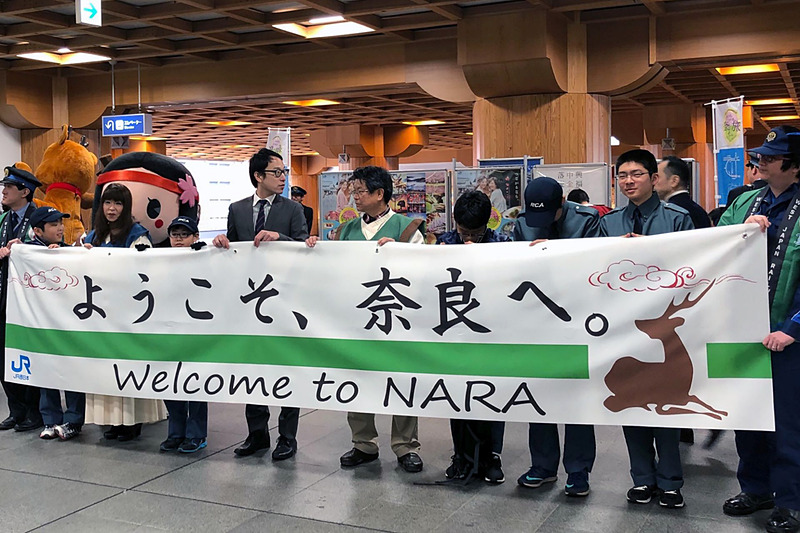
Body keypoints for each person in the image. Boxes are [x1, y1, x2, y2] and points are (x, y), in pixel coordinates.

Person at [305, 166, 425, 473]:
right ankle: (363, 443)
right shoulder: (346, 230)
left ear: (379, 194)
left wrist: (401, 254)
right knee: (356, 377)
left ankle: (405, 445)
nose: (354, 197)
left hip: (396, 318)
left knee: (401, 380)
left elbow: (426, 271)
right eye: (353, 191)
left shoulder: (407, 229)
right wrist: (315, 249)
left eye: (359, 191)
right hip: (357, 320)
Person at [600, 149, 694, 509]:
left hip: (666, 329)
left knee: (666, 403)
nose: (628, 181)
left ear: (654, 179)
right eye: (622, 175)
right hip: (623, 328)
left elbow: (694, 267)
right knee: (632, 403)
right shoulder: (608, 224)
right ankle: (641, 479)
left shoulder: (678, 219)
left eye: (636, 174)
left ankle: (671, 481)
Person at [718, 125, 800, 533]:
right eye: (760, 155)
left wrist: (795, 328)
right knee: (748, 417)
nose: (761, 160)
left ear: (795, 164)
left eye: (771, 155)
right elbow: (709, 250)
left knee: (787, 424)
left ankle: (791, 501)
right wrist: (739, 234)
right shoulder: (747, 201)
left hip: (787, 334)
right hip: (742, 331)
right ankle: (756, 487)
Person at [213, 148, 308, 461]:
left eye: (284, 172)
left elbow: (304, 248)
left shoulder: (294, 209)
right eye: (276, 172)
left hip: (283, 299)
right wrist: (220, 245)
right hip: (249, 301)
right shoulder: (237, 209)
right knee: (252, 367)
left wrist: (279, 237)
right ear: (258, 176)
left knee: (286, 366)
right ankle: (256, 434)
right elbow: (232, 248)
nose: (282, 178)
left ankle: (288, 437)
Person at [513, 177, 600, 497]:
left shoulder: (588, 221)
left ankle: (578, 471)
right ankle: (543, 465)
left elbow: (596, 265)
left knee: (577, 397)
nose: (542, 222)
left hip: (577, 319)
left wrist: (555, 253)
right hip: (538, 322)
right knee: (539, 395)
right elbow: (510, 268)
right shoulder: (523, 224)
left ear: (561, 202)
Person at [83, 183, 167, 441]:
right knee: (106, 365)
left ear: (126, 207)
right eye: (108, 202)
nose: (112, 208)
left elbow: (144, 273)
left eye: (118, 203)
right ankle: (113, 420)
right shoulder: (93, 236)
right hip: (100, 313)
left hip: (129, 313)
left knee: (128, 364)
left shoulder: (138, 235)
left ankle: (132, 421)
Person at [437, 190, 509, 484]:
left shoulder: (505, 244)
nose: (467, 240)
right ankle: (461, 455)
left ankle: (492, 455)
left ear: (487, 226)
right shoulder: (443, 243)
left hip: (492, 331)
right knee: (457, 395)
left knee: (492, 393)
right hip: (455, 331)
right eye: (463, 232)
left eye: (475, 235)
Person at [20, 207, 86, 441]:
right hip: (42, 323)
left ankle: (73, 421)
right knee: (45, 370)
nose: (60, 227)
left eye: (60, 222)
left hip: (69, 324)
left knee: (72, 371)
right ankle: (50, 419)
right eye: (53, 224)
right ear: (37, 230)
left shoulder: (69, 251)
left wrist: (85, 253)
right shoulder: (27, 253)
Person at [159, 216, 209, 453]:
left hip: (196, 331)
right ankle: (176, 431)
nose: (178, 240)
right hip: (169, 329)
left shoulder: (205, 258)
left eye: (184, 234)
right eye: (174, 235)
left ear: (195, 237)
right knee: (170, 380)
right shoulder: (159, 260)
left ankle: (196, 434)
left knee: (196, 382)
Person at [0, 165, 43, 433]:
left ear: (24, 191)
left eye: (9, 187)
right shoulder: (3, 219)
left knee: (29, 356)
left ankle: (34, 412)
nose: (4, 191)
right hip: (3, 296)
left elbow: (57, 248)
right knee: (3, 356)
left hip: (31, 301)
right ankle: (15, 410)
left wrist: (27, 249)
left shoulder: (39, 218)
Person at [655, 156, 711, 229]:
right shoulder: (700, 211)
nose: (653, 182)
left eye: (657, 178)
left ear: (674, 181)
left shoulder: (670, 212)